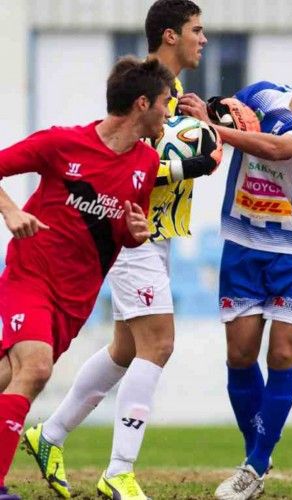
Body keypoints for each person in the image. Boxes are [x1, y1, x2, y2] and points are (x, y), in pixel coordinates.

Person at [22, 2, 220, 500]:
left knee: (126, 349)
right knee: (160, 345)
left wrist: (211, 127)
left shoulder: (178, 99)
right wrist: (188, 165)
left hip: (157, 233)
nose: (205, 39)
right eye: (198, 30)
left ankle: (48, 436)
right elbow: (117, 162)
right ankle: (119, 470)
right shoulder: (145, 90)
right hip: (131, 232)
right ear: (170, 35)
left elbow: (175, 153)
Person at [179, 37, 292, 499]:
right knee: (240, 356)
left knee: (281, 355)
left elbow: (275, 148)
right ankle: (255, 454)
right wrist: (203, 113)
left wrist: (216, 128)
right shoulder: (261, 94)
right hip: (242, 243)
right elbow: (224, 117)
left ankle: (255, 465)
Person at [0, 55, 175, 500]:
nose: (169, 111)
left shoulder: (144, 165)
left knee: (11, 373)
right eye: (165, 101)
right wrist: (11, 209)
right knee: (36, 368)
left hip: (75, 299)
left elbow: (119, 237)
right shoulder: (61, 144)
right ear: (142, 104)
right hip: (30, 276)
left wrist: (136, 236)